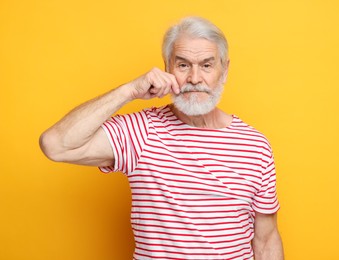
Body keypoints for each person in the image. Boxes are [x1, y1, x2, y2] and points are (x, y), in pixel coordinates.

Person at [40, 16, 284, 260]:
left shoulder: (255, 146)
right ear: (167, 68)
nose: (195, 78)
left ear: (225, 70)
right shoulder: (142, 132)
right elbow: (55, 145)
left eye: (207, 66)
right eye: (183, 65)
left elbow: (266, 239)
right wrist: (130, 91)